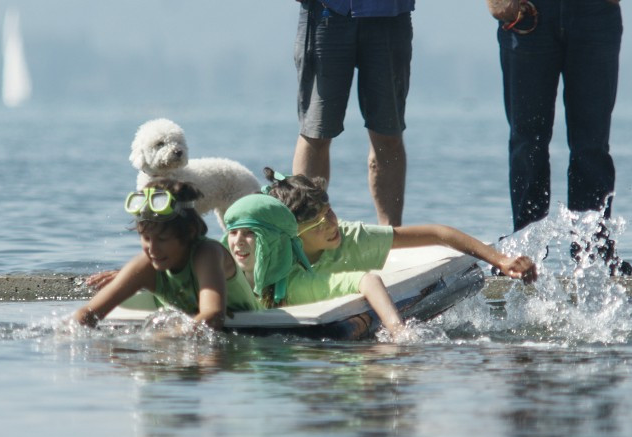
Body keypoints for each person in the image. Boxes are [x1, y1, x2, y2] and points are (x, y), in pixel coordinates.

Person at [488, 0, 631, 275]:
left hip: (595, 12)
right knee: (527, 143)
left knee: (591, 145)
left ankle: (593, 248)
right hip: (526, 11)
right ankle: (525, 248)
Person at [261, 168, 538, 284]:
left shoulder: (350, 237)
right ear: (294, 234)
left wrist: (501, 260)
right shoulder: (273, 251)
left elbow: (437, 233)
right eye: (320, 223)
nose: (332, 224)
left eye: (330, 212)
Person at [73, 179, 259, 329]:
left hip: (254, 334)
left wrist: (162, 340)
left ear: (191, 232)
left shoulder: (207, 253)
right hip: (189, 333)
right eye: (145, 238)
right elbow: (87, 314)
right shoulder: (145, 265)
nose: (152, 249)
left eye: (162, 239)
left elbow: (213, 316)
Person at [292, 0, 414, 226]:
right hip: (325, 11)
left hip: (390, 13)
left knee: (389, 133)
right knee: (315, 131)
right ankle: (306, 234)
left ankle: (392, 237)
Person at [223, 193, 405, 335]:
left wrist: (398, 330)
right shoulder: (221, 273)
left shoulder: (293, 286)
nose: (238, 241)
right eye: (233, 232)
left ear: (272, 241)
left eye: (249, 233)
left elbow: (368, 281)